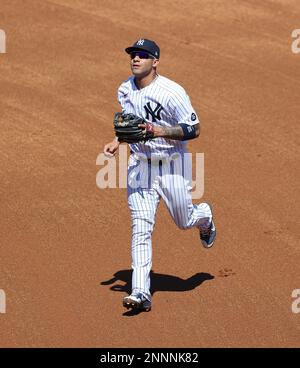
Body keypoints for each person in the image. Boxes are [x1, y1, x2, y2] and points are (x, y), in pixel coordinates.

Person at [104, 38, 216, 312]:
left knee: (183, 219)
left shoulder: (171, 92)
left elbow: (194, 129)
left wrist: (159, 131)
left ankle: (204, 217)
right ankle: (141, 292)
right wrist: (117, 142)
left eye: (142, 55)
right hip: (140, 166)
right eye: (133, 54)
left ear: (155, 61)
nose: (135, 59)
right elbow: (130, 125)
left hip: (172, 165)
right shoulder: (125, 89)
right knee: (141, 226)